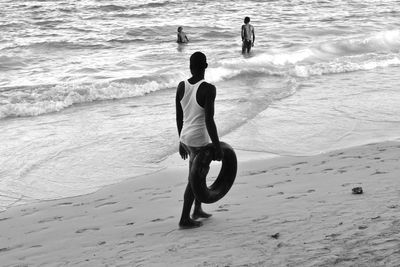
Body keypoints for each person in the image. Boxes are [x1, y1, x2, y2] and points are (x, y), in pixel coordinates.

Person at [175, 52, 223, 229]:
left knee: (198, 175)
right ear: (206, 66)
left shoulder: (181, 86)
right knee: (193, 180)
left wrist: (180, 141)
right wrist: (217, 147)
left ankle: (197, 210)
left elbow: (179, 117)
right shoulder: (208, 89)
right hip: (198, 141)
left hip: (186, 138)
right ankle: (184, 219)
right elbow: (209, 120)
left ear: (190, 66)